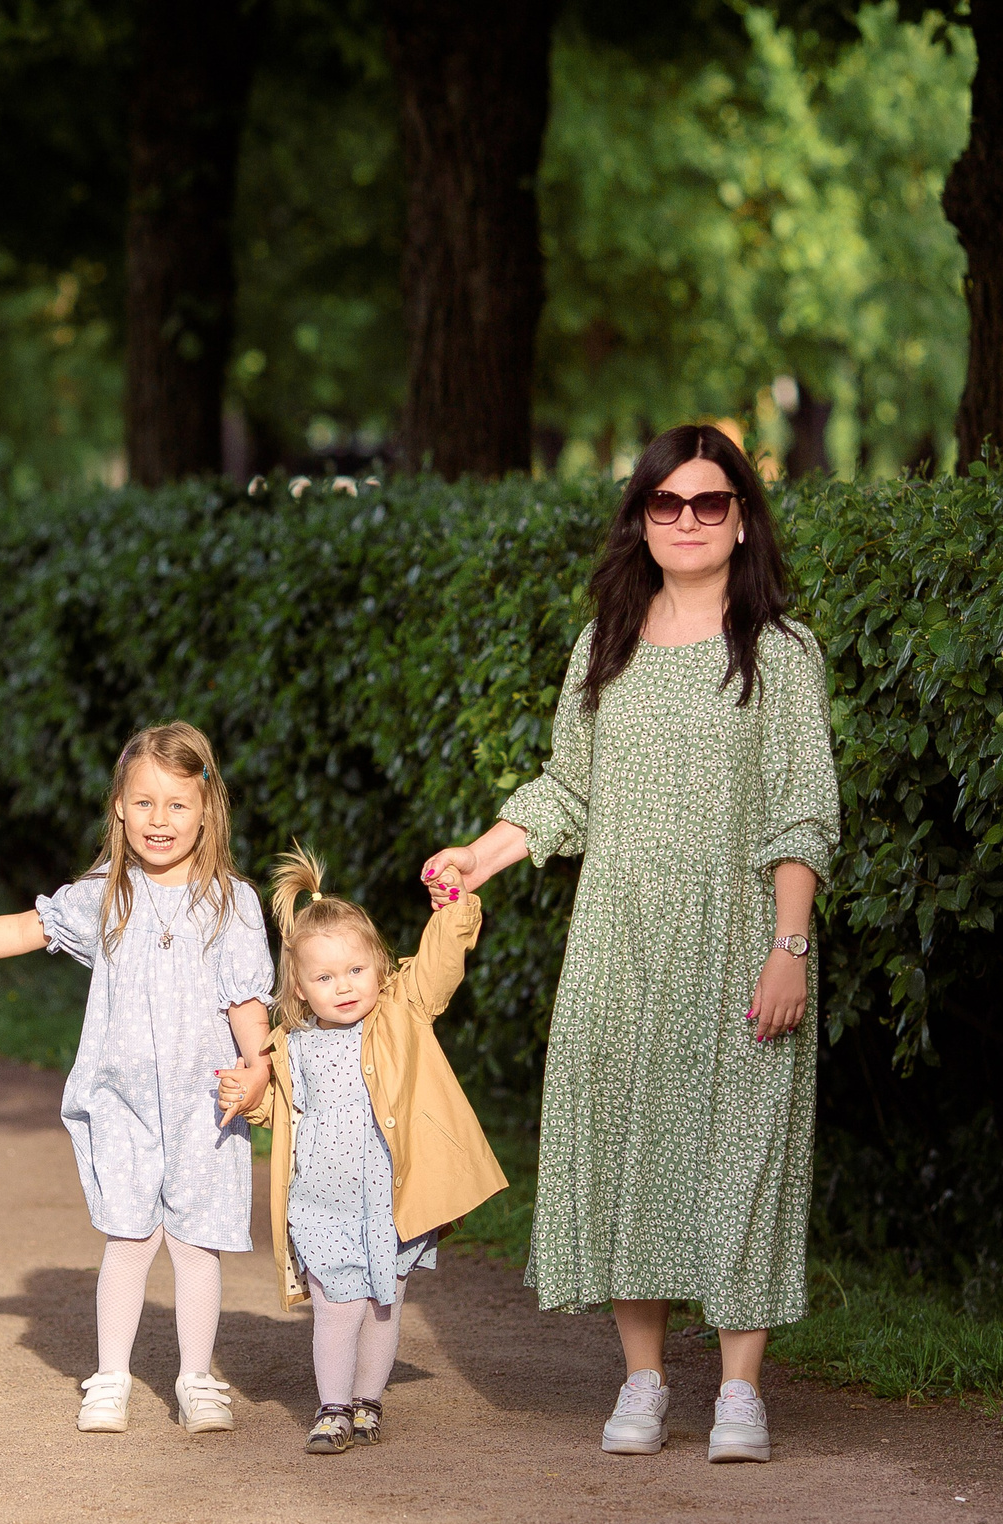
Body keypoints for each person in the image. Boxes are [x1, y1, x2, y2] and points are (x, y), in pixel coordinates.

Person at [420, 423, 839, 1466]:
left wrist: (791, 944)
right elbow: (568, 790)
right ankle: (644, 1381)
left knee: (746, 1155)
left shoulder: (781, 655)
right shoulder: (603, 645)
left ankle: (739, 1392)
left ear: (741, 520)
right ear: (641, 520)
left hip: (744, 934)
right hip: (620, 937)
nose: (687, 521)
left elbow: (804, 814)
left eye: (709, 503)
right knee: (629, 1150)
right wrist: (480, 855)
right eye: (667, 504)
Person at [0, 722, 273, 1435]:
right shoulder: (107, 896)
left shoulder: (233, 903)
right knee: (129, 1237)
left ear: (207, 809)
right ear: (119, 810)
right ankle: (110, 1376)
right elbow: (26, 928)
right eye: (143, 803)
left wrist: (256, 1070)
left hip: (205, 1103)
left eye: (175, 804)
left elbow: (247, 1002)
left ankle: (198, 1378)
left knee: (197, 1241)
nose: (158, 820)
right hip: (122, 1101)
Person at [220, 846, 505, 1455]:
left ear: (379, 966)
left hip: (390, 1199)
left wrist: (452, 910)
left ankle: (368, 1402)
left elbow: (439, 966)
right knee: (337, 1307)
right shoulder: (289, 1044)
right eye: (323, 978)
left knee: (383, 1305)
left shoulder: (400, 1014)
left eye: (354, 971)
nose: (343, 987)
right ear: (298, 986)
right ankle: (331, 1408)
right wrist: (247, 1095)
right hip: (320, 1203)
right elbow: (279, 1112)